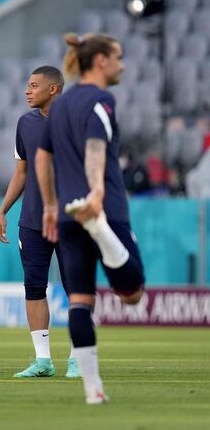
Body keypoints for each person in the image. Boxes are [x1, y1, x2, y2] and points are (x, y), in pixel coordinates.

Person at [35, 33, 145, 404]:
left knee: (80, 302)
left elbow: (41, 156)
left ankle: (93, 391)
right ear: (100, 60)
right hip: (104, 210)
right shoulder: (102, 99)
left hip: (67, 215)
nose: (122, 64)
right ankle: (101, 230)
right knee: (132, 293)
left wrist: (50, 205)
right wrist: (97, 192)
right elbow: (96, 144)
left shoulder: (60, 105)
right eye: (118, 57)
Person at [0, 66, 80, 379]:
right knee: (34, 286)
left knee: (77, 289)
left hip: (71, 220)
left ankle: (78, 358)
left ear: (53, 89)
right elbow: (21, 172)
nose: (27, 91)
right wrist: (3, 209)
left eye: (33, 86)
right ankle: (43, 361)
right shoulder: (25, 123)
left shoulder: (77, 120)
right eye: (27, 85)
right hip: (31, 220)